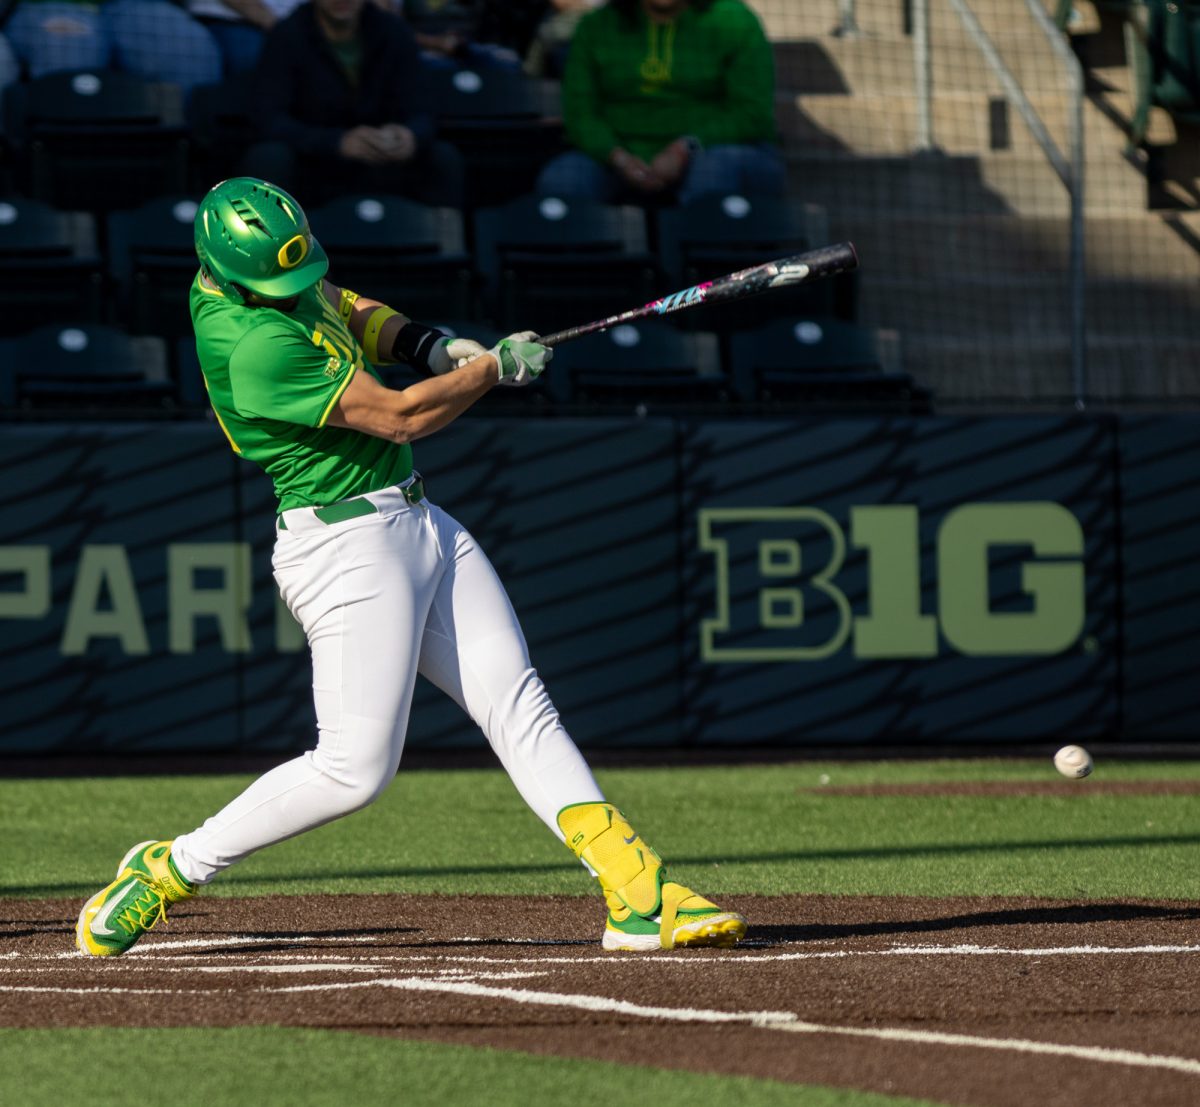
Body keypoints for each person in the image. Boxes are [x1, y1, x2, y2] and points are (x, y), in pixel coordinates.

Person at [74, 176, 746, 958]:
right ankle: (169, 869)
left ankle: (639, 892)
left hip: (417, 519)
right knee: (353, 770)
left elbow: (346, 303)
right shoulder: (251, 343)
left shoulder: (271, 280)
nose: (299, 286)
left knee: (518, 702)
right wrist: (490, 370)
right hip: (344, 550)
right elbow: (402, 417)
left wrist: (432, 344)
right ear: (226, 273)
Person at [535, 0, 786, 205]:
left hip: (713, 150)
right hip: (617, 152)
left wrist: (685, 148)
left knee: (712, 172)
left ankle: (706, 266)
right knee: (562, 178)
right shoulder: (597, 25)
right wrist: (618, 156)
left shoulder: (735, 20)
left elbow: (752, 113)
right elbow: (580, 114)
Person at [242, 0, 465, 208]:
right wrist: (337, 142)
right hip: (315, 161)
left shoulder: (394, 31)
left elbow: (423, 106)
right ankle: (275, 247)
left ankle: (447, 244)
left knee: (442, 157)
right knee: (269, 157)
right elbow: (268, 117)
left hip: (386, 157)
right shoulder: (288, 35)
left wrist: (409, 135)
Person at [5, 0, 222, 96]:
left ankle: (183, 161)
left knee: (187, 50)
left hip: (138, 6)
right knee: (70, 50)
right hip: (52, 5)